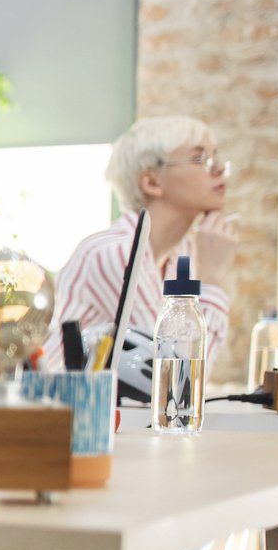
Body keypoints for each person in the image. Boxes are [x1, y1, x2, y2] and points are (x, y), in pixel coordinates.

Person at [40, 116, 236, 383]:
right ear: (152, 182)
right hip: (61, 404)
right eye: (199, 159)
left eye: (215, 157)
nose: (219, 169)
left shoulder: (181, 253)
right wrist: (212, 281)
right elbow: (174, 378)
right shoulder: (114, 253)